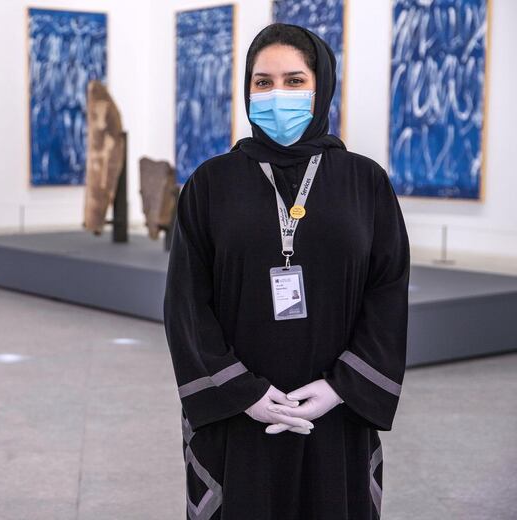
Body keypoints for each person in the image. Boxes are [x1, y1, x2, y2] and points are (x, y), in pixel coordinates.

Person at [164, 23, 409, 519]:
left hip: (335, 414)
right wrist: (243, 393)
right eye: (263, 81)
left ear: (321, 89)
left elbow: (387, 292)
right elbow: (186, 301)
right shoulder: (211, 183)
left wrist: (342, 387)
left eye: (295, 81)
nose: (278, 94)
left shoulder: (366, 182)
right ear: (247, 89)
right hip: (237, 415)